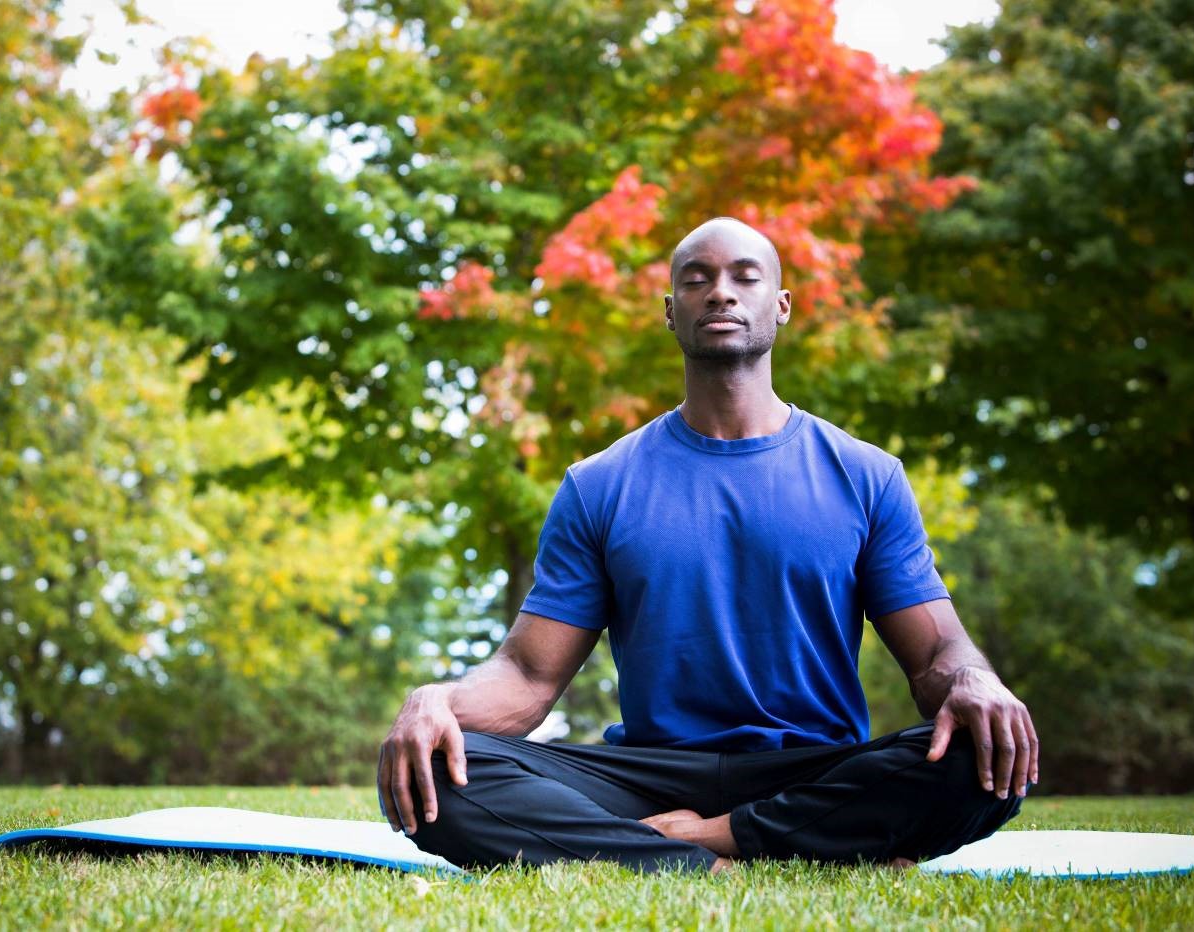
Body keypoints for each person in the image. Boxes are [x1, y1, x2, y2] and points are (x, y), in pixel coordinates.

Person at [376, 217, 1037, 874]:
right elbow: (526, 677)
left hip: (811, 768)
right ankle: (767, 850)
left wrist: (974, 680)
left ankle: (709, 841)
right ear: (671, 311)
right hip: (649, 774)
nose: (721, 293)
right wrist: (439, 701)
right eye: (698, 280)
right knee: (436, 767)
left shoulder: (867, 476)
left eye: (744, 278)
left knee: (982, 749)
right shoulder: (599, 484)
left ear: (780, 306)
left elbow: (935, 657)